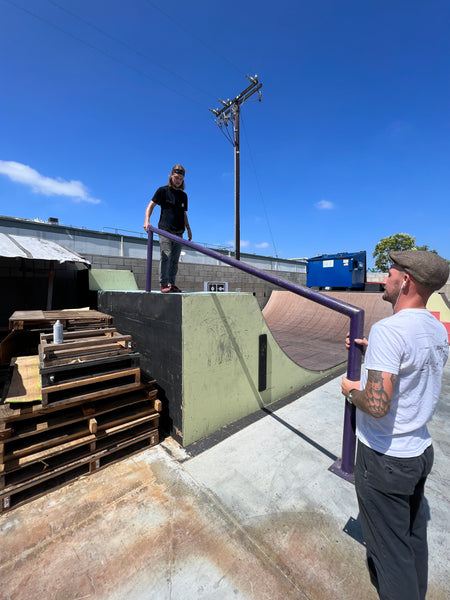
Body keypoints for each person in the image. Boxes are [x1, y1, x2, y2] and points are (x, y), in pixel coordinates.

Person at [341, 250, 449, 600]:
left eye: (389, 273)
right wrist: (372, 353)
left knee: (390, 555)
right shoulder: (435, 327)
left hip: (385, 459)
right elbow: (412, 366)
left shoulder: (390, 330)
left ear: (406, 282)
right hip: (419, 452)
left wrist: (351, 390)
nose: (383, 278)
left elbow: (375, 404)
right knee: (412, 537)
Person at [144, 164, 192, 293]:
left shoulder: (183, 196)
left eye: (181, 179)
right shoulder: (162, 191)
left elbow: (183, 213)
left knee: (175, 259)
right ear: (171, 176)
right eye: (176, 177)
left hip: (179, 231)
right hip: (165, 230)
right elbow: (150, 205)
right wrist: (147, 221)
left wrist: (188, 228)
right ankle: (164, 283)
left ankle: (172, 283)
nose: (178, 181)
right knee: (167, 255)